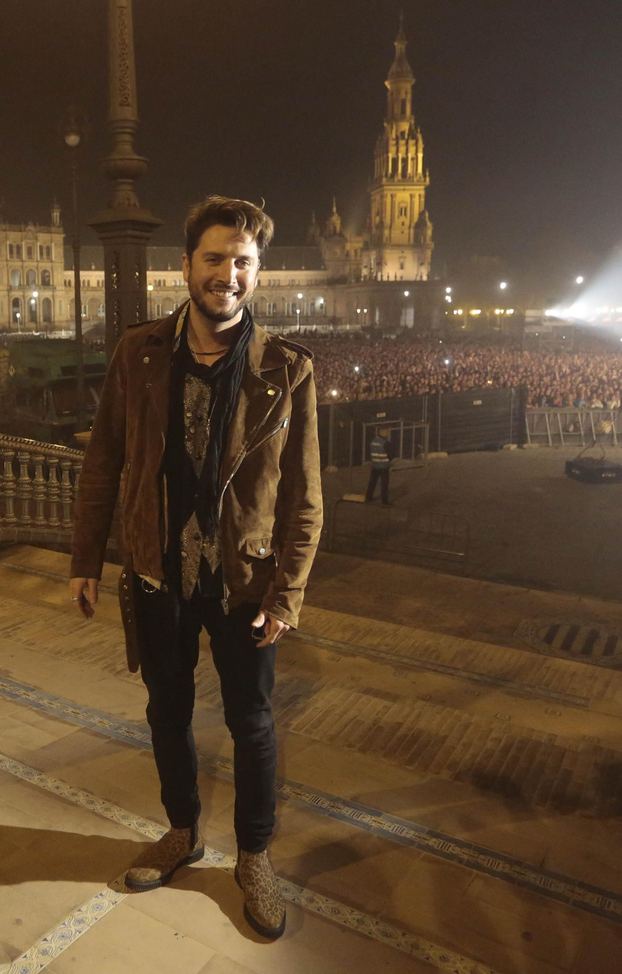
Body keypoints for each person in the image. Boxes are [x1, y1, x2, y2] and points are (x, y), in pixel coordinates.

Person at [69, 197, 321, 940]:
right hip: (158, 572)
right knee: (167, 712)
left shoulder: (286, 369)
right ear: (186, 267)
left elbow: (305, 498)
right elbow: (104, 462)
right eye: (214, 259)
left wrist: (289, 594)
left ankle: (255, 855)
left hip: (245, 583)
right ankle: (181, 831)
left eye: (242, 261)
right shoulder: (139, 352)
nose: (228, 274)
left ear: (257, 271)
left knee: (252, 722)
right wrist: (86, 557)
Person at [365, 427, 392, 505]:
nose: (388, 434)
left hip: (375, 465)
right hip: (384, 466)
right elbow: (390, 455)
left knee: (372, 482)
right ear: (384, 432)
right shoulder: (385, 443)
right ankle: (384, 501)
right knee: (384, 484)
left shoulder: (373, 441)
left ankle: (368, 497)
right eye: (387, 432)